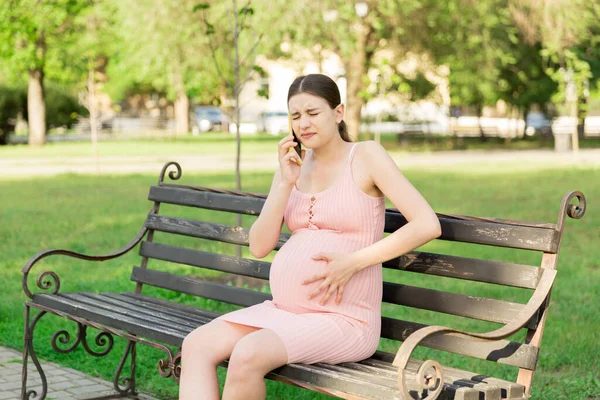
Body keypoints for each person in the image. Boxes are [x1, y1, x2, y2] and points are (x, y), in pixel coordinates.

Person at [178, 74, 441, 400]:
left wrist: (355, 262)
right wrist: (284, 182)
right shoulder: (293, 165)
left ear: (338, 112)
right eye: (296, 115)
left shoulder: (366, 156)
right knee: (196, 344)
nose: (303, 123)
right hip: (284, 312)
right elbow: (260, 246)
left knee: (248, 354)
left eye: (313, 113)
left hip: (345, 320)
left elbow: (427, 224)